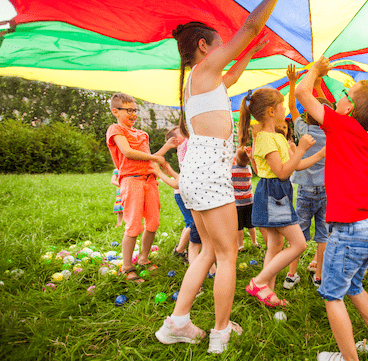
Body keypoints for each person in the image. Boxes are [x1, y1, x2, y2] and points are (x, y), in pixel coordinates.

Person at [154, 0, 279, 354]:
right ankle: (220, 333)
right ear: (204, 47)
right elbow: (250, 27)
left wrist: (252, 51)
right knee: (227, 254)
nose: (226, 49)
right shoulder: (204, 71)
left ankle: (177, 322)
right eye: (221, 43)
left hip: (195, 173)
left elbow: (236, 75)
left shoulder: (203, 81)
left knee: (209, 249)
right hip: (209, 173)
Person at [295, 56, 368, 361]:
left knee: (332, 295)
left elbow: (303, 95)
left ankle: (348, 358)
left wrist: (316, 71)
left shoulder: (341, 125)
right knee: (354, 286)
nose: (340, 96)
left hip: (351, 227)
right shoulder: (364, 138)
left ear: (350, 109)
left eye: (345, 94)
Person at [239, 87, 324, 308]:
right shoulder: (265, 139)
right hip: (273, 193)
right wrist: (301, 148)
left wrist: (320, 154)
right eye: (282, 105)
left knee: (275, 247)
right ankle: (258, 282)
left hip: (278, 192)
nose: (285, 109)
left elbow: (294, 167)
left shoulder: (275, 137)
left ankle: (268, 292)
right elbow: (283, 172)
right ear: (270, 111)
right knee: (299, 243)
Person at [105, 93, 174, 283]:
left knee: (153, 223)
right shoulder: (115, 129)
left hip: (150, 181)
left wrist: (167, 147)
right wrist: (154, 158)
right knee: (134, 225)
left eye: (135, 110)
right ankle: (127, 267)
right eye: (129, 110)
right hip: (131, 181)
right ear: (115, 111)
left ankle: (143, 258)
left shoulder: (142, 134)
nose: (134, 114)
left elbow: (151, 158)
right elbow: (127, 152)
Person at [284, 64, 330, 289]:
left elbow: (292, 106)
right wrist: (319, 83)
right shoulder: (331, 132)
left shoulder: (303, 129)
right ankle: (319, 275)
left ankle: (291, 274)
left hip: (304, 189)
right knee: (323, 235)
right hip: (327, 190)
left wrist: (293, 83)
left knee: (298, 234)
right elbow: (325, 111)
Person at [164, 126, 191, 263]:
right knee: (193, 224)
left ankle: (180, 249)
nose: (186, 132)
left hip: (181, 192)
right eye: (182, 132)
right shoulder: (184, 145)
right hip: (182, 193)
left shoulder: (183, 146)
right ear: (176, 140)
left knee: (189, 223)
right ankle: (179, 250)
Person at [231, 146, 260, 251]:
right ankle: (254, 242)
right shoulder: (248, 169)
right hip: (249, 202)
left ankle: (240, 245)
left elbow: (232, 161)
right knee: (250, 225)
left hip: (238, 203)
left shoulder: (232, 170)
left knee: (239, 226)